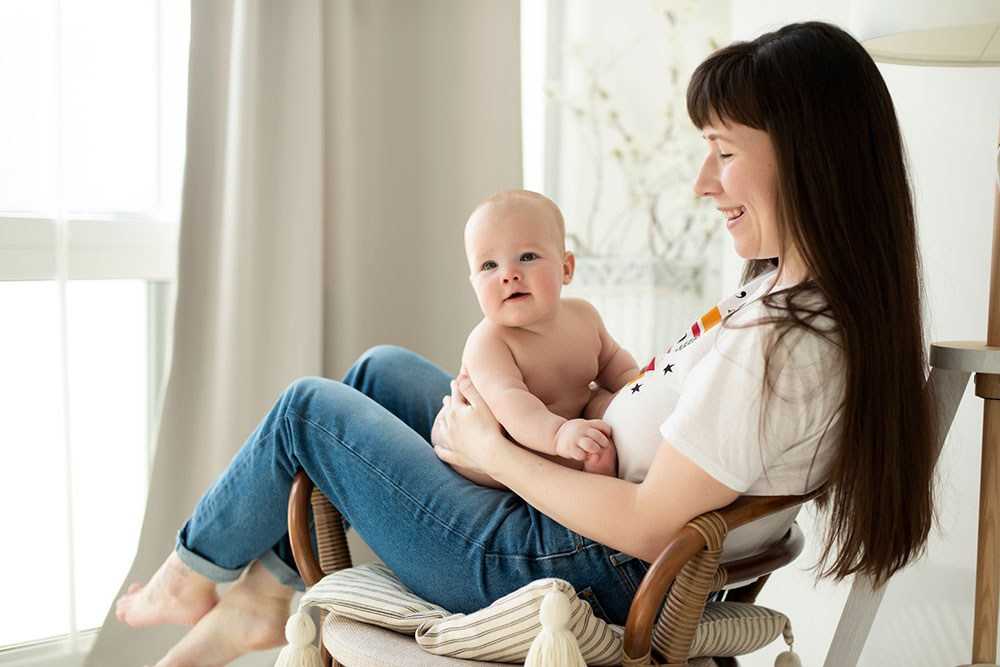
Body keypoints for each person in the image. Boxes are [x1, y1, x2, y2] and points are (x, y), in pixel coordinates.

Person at [115, 21, 936, 667]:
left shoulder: (782, 348)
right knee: (379, 371)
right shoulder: (787, 300)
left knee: (307, 410)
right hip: (573, 517)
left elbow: (651, 524)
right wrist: (578, 414)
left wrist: (497, 452)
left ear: (811, 158)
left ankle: (195, 570)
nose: (702, 182)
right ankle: (267, 592)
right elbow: (668, 429)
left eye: (723, 153)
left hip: (557, 559)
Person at [438, 189, 639, 485]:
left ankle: (595, 457)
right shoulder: (488, 342)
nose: (508, 274)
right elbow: (513, 407)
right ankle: (585, 470)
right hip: (499, 447)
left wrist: (637, 388)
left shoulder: (583, 316)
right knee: (533, 442)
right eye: (489, 265)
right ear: (474, 284)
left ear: (565, 269)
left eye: (527, 257)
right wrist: (559, 434)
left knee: (603, 401)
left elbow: (612, 362)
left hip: (568, 422)